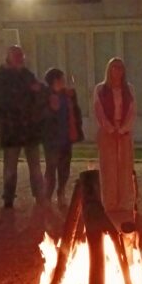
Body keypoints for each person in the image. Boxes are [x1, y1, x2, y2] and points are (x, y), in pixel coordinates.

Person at [0, 45, 47, 209]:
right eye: (16, 55)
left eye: (21, 55)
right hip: (11, 129)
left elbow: (40, 95)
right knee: (10, 166)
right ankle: (9, 197)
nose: (20, 58)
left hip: (30, 129)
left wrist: (37, 99)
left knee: (35, 166)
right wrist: (3, 117)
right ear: (9, 58)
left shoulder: (28, 76)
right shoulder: (0, 79)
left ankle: (39, 195)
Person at [94, 58, 135, 216]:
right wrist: (111, 129)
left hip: (124, 131)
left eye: (120, 68)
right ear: (109, 70)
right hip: (107, 132)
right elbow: (99, 111)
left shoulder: (129, 89)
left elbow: (132, 110)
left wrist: (123, 129)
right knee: (108, 167)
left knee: (125, 166)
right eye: (114, 68)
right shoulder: (100, 89)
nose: (117, 71)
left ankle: (125, 202)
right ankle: (110, 202)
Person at [42, 68, 83, 208]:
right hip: (52, 139)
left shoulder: (68, 95)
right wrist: (51, 108)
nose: (63, 82)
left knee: (64, 168)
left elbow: (76, 113)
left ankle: (61, 192)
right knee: (51, 168)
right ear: (54, 81)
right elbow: (43, 116)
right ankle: (47, 195)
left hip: (66, 137)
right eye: (60, 79)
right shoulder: (46, 96)